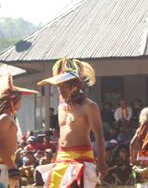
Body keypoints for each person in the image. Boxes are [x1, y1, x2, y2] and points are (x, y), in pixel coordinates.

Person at [36, 58, 108, 187]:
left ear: (74, 86)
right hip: (61, 158)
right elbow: (62, 136)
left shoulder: (89, 106)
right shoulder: (61, 107)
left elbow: (99, 135)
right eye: (58, 86)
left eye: (63, 85)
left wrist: (101, 161)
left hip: (81, 158)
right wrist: (56, 156)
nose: (59, 89)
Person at [0, 75, 38, 188]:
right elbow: (0, 144)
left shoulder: (7, 117)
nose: (21, 103)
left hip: (5, 163)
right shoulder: (4, 117)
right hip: (2, 164)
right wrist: (12, 168)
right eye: (20, 100)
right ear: (13, 101)